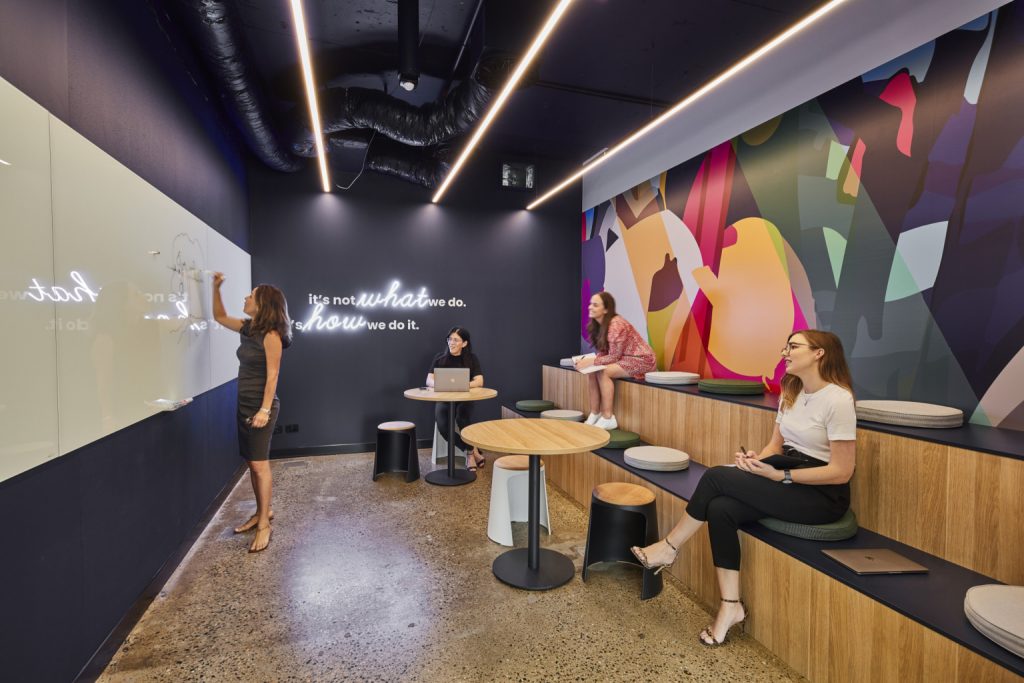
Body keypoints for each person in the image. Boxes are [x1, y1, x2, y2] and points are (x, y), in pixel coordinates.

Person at [630, 329, 856, 646]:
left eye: (793, 346)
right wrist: (754, 461)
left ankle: (669, 547)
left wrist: (782, 478)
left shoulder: (838, 399)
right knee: (720, 508)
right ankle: (731, 606)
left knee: (714, 477)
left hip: (820, 494)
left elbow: (842, 472)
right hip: (785, 471)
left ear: (819, 353)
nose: (785, 352)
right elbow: (776, 445)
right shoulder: (792, 391)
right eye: (785, 345)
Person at [212, 273, 292, 553]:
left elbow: (273, 376)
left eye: (251, 295)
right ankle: (262, 512)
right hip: (245, 403)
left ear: (263, 303)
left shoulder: (271, 336)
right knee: (252, 464)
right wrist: (215, 288)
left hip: (261, 407)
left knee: (260, 465)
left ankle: (264, 526)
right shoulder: (249, 329)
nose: (246, 298)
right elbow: (220, 316)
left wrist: (264, 410)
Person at [575, 291, 655, 430]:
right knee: (592, 372)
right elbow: (605, 352)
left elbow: (614, 357)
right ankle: (595, 413)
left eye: (595, 305)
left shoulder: (616, 325)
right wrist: (586, 362)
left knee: (603, 372)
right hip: (626, 358)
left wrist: (590, 362)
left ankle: (608, 417)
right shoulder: (600, 325)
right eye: (590, 304)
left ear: (606, 309)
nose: (590, 307)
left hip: (642, 359)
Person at [426, 326, 486, 471]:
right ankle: (471, 450)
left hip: (465, 399)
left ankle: (470, 455)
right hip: (444, 399)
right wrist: (441, 385)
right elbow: (428, 380)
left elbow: (479, 381)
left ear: (464, 343)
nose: (451, 343)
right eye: (450, 339)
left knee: (462, 419)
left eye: (456, 340)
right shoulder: (440, 358)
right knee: (443, 427)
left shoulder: (471, 358)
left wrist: (462, 385)